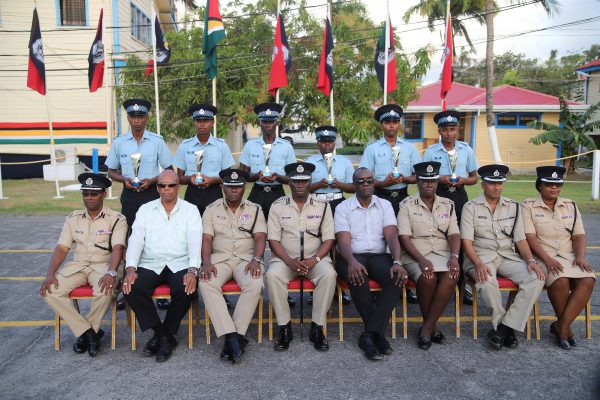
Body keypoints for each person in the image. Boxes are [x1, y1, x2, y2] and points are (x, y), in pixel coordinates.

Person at [40, 173, 127, 356]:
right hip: (78, 266)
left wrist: (112, 273)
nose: (89, 197)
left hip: (104, 265)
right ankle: (88, 332)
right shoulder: (73, 218)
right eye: (85, 193)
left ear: (104, 194)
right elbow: (62, 248)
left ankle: (86, 333)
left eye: (94, 193)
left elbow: (118, 248)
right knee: (50, 290)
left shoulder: (117, 219)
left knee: (105, 289)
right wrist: (50, 274)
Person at [461, 164, 545, 350]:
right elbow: (466, 242)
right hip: (481, 257)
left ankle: (506, 327)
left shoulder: (514, 207)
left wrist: (531, 261)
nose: (496, 187)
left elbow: (521, 239)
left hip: (507, 256)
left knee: (535, 277)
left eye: (500, 183)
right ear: (483, 184)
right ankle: (502, 326)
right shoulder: (471, 207)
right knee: (486, 280)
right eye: (492, 183)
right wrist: (478, 264)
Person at [122, 170, 201, 362]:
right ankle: (164, 335)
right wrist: (130, 268)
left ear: (178, 187)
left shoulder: (190, 210)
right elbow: (136, 240)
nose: (166, 189)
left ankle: (163, 335)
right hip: (151, 262)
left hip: (180, 262)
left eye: (171, 185)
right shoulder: (145, 209)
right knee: (130, 288)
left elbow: (195, 242)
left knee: (187, 289)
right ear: (157, 187)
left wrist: (192, 270)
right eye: (162, 185)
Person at [105, 98, 174, 311]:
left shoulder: (156, 141)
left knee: (157, 237)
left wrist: (153, 180)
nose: (137, 120)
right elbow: (110, 171)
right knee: (129, 239)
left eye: (140, 116)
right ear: (128, 118)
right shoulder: (119, 143)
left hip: (152, 195)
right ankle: (128, 285)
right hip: (130, 196)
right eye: (133, 116)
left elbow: (169, 169)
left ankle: (161, 287)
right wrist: (124, 179)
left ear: (146, 117)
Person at [334, 167, 408, 361]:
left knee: (397, 278)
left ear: (374, 183)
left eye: (369, 181)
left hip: (378, 256)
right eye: (361, 181)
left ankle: (369, 334)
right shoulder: (343, 207)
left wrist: (398, 261)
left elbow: (391, 235)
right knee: (358, 277)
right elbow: (343, 240)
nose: (366, 184)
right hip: (351, 255)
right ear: (354, 185)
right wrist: (351, 261)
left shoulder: (385, 205)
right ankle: (377, 335)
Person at [265, 162, 337, 352]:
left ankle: (317, 327)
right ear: (289, 182)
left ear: (310, 182)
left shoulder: (323, 206)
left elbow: (329, 239)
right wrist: (290, 261)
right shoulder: (277, 206)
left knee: (329, 275)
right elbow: (273, 240)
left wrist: (314, 260)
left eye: (304, 181)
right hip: (285, 259)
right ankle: (284, 327)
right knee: (272, 276)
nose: (300, 185)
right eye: (296, 181)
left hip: (316, 259)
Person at [522, 166, 595, 349]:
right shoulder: (528, 206)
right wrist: (547, 259)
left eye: (557, 185)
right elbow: (530, 237)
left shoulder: (570, 205)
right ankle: (564, 329)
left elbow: (578, 235)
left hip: (568, 256)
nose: (554, 188)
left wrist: (580, 257)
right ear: (540, 186)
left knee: (588, 279)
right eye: (549, 185)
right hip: (543, 256)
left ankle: (561, 325)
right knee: (560, 280)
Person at [199, 168, 267, 363]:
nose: (234, 190)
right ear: (222, 187)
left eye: (238, 186)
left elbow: (260, 236)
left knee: (254, 283)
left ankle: (234, 336)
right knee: (206, 282)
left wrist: (257, 260)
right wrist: (206, 263)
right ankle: (231, 336)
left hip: (246, 260)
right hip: (220, 258)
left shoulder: (255, 209)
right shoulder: (211, 209)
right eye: (230, 187)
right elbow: (206, 239)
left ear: (244, 187)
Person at [397, 162, 461, 350]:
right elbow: (404, 237)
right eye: (425, 181)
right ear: (417, 182)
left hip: (442, 252)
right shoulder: (406, 205)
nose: (429, 185)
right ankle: (431, 327)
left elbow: (454, 234)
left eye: (433, 181)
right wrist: (421, 259)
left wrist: (455, 257)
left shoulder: (448, 204)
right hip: (416, 253)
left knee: (452, 274)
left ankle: (426, 327)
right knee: (428, 276)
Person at [423, 110, 479, 306]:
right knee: (439, 235)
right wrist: (440, 178)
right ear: (439, 130)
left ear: (458, 129)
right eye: (445, 129)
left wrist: (463, 180)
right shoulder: (431, 151)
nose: (448, 133)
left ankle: (462, 286)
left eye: (452, 129)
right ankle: (440, 279)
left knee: (462, 238)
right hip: (438, 195)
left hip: (460, 196)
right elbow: (425, 177)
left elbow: (474, 177)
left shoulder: (466, 149)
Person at [305, 125, 354, 305]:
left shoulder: (345, 162)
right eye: (323, 141)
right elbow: (304, 188)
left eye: (330, 141)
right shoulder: (310, 163)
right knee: (316, 243)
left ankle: (341, 286)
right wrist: (320, 183)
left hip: (338, 202)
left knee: (340, 243)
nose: (327, 145)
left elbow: (353, 187)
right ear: (318, 142)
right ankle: (315, 286)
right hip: (317, 203)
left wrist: (338, 184)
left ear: (335, 142)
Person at [359, 104, 421, 216]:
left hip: (404, 198)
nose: (391, 125)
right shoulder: (372, 149)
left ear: (399, 124)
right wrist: (383, 183)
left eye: (395, 122)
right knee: (380, 232)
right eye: (387, 122)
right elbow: (362, 178)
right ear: (381, 125)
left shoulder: (410, 147)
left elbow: (420, 175)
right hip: (379, 197)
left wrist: (405, 179)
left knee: (403, 232)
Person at [239, 102, 296, 221]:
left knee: (279, 230)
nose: (267, 125)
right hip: (256, 193)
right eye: (264, 121)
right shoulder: (250, 145)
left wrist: (278, 177)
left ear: (277, 122)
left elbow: (292, 178)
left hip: (277, 194)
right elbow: (243, 175)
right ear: (260, 122)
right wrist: (256, 176)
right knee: (250, 226)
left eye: (271, 121)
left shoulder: (286, 146)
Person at [175, 104, 235, 216]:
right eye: (198, 120)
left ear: (213, 122)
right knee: (192, 229)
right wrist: (191, 178)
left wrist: (212, 180)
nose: (202, 124)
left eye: (206, 120)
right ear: (194, 122)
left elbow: (228, 177)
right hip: (192, 192)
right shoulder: (185, 146)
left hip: (214, 192)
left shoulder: (221, 146)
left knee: (215, 229)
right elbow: (179, 178)